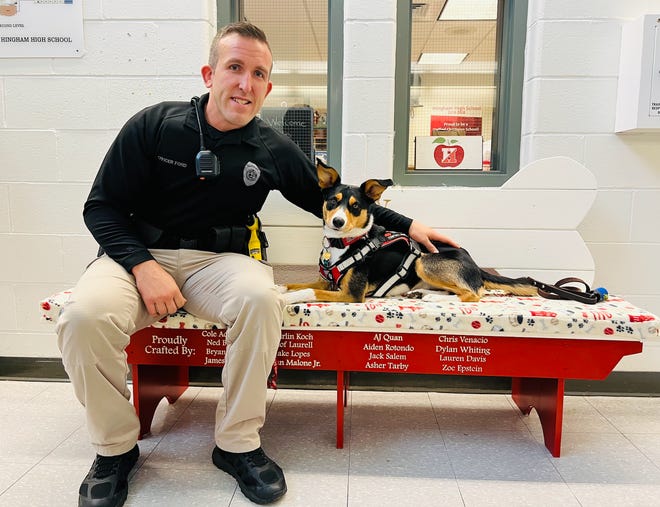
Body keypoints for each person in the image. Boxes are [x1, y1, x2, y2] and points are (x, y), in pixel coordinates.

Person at [56, 21, 459, 507]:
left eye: (259, 74)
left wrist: (409, 224)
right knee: (82, 317)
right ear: (210, 73)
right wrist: (144, 266)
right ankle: (116, 449)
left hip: (218, 262)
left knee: (262, 298)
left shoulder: (271, 147)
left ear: (267, 87)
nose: (245, 83)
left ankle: (237, 443)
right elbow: (100, 207)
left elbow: (329, 199)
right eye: (234, 68)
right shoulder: (155, 125)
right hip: (135, 259)